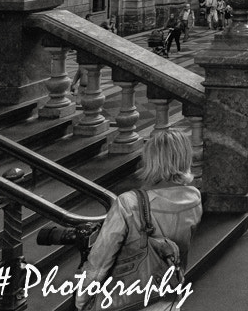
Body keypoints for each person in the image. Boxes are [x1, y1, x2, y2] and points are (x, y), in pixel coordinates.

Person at [76, 127, 200, 311]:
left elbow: (100, 262)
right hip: (169, 297)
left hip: (129, 301)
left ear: (151, 160)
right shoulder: (194, 199)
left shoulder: (129, 203)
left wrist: (82, 299)